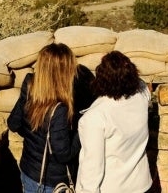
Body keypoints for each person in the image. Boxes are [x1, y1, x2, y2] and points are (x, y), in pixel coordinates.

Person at [75, 51, 152, 193]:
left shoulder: (95, 117)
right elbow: (143, 86)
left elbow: (92, 166)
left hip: (112, 187)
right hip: (141, 184)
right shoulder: (141, 95)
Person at [8, 43, 80, 193]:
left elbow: (14, 123)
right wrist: (81, 131)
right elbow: (63, 154)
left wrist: (34, 135)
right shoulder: (60, 110)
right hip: (50, 182)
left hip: (28, 171)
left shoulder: (29, 85)